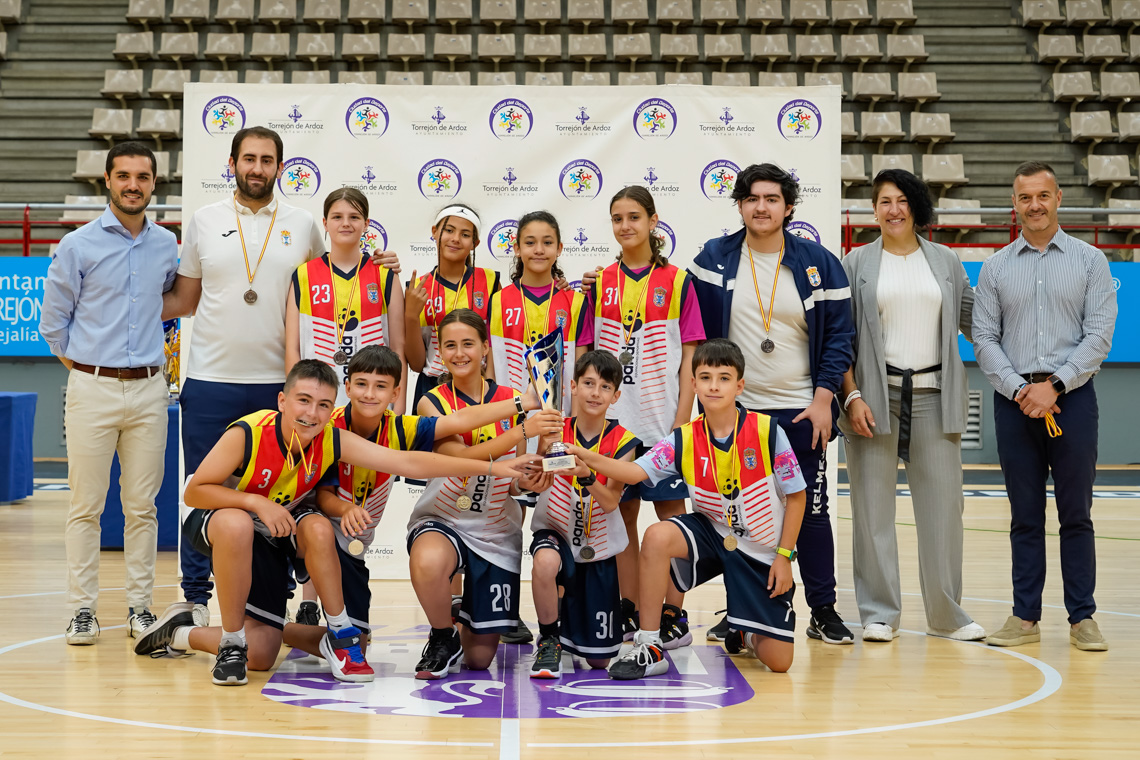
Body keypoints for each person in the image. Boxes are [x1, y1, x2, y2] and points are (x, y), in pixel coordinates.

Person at [132, 360, 538, 686]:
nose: (312, 413)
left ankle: (185, 632)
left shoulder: (334, 437)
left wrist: (496, 466)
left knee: (266, 652)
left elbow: (410, 461)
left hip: (281, 531)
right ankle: (233, 640)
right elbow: (195, 491)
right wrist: (255, 501)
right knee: (247, 524)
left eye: (322, 405)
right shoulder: (250, 431)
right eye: (303, 401)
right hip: (224, 520)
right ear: (283, 401)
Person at [160, 126, 324, 625]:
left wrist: (380, 268)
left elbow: (331, 289)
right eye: (248, 158)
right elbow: (183, 302)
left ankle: (301, 598)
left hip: (281, 384)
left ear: (280, 166)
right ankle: (194, 595)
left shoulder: (304, 225)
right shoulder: (204, 221)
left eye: (267, 159)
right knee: (202, 484)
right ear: (232, 163)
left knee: (295, 491)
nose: (257, 168)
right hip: (210, 379)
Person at [567, 340, 806, 678]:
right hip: (712, 534)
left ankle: (744, 629)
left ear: (739, 385)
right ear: (693, 384)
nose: (713, 385)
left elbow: (797, 497)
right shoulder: (683, 438)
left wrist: (784, 556)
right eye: (705, 377)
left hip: (759, 552)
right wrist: (585, 456)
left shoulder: (768, 432)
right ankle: (650, 645)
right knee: (657, 535)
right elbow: (636, 473)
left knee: (779, 661)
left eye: (724, 378)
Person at [689, 163, 856, 646]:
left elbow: (840, 339)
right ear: (739, 204)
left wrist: (826, 398)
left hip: (802, 409)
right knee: (737, 515)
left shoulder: (818, 262)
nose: (761, 207)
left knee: (814, 511)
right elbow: (683, 316)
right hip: (737, 414)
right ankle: (741, 610)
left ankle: (823, 609)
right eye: (752, 198)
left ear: (788, 207)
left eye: (772, 199)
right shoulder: (714, 259)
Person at [305, 344, 553, 635]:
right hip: (308, 530)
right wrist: (345, 508)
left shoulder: (399, 428)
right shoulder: (329, 427)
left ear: (396, 394)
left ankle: (287, 632)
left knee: (354, 642)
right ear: (347, 386)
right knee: (317, 533)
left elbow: (457, 421)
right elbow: (323, 495)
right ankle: (301, 608)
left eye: (380, 386)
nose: (369, 394)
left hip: (352, 545)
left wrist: (524, 402)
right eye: (361, 384)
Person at [39, 142, 179, 645]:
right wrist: (85, 369)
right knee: (86, 506)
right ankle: (82, 610)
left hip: (149, 391)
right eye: (124, 175)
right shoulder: (78, 245)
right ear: (107, 180)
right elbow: (53, 324)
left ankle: (141, 608)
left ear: (154, 184)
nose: (133, 185)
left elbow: (171, 300)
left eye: (143, 176)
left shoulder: (167, 246)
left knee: (142, 507)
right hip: (91, 388)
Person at [973, 161, 1116, 652]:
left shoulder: (1091, 261)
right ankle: (1024, 617)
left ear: (1058, 199)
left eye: (1042, 195)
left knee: (1076, 514)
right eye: (1024, 198)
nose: (1033, 205)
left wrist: (1054, 385)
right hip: (1014, 406)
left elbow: (1098, 336)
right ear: (1014, 205)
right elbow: (985, 339)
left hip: (1071, 401)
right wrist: (1019, 390)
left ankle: (1083, 619)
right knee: (1025, 516)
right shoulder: (995, 267)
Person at [838, 169, 985, 642]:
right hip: (873, 400)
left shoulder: (945, 260)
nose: (893, 209)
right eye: (884, 201)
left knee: (944, 511)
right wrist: (852, 395)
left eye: (902, 200)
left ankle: (947, 616)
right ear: (874, 209)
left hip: (934, 397)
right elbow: (840, 341)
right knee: (872, 511)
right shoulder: (856, 262)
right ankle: (879, 613)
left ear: (916, 206)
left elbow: (976, 320)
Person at [407, 309, 562, 679]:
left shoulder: (511, 396)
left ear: (486, 349)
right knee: (428, 562)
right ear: (439, 353)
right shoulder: (432, 402)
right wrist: (521, 431)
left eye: (468, 344)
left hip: (495, 528)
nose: (459, 353)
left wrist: (532, 476)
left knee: (479, 659)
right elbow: (458, 461)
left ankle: (464, 617)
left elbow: (512, 476)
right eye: (449, 346)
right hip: (443, 518)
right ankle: (443, 634)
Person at [582, 185, 705, 645]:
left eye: (634, 216)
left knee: (673, 521)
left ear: (654, 222)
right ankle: (631, 609)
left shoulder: (678, 280)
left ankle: (674, 612)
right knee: (623, 520)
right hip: (617, 426)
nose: (625, 226)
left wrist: (682, 417)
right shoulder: (600, 282)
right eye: (617, 218)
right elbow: (588, 354)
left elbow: (690, 354)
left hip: (661, 423)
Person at [526, 351, 641, 678]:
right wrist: (532, 479)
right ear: (573, 386)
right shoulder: (553, 429)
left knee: (599, 662)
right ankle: (549, 639)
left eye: (605, 387)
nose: (595, 392)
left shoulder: (624, 442)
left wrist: (585, 474)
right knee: (546, 562)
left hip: (598, 543)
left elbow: (609, 503)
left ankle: (568, 615)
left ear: (616, 396)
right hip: (555, 529)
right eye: (588, 383)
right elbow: (535, 481)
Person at [286, 188, 405, 409]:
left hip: (373, 401)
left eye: (354, 217)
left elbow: (398, 347)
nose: (346, 223)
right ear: (325, 222)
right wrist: (297, 400)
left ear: (366, 223)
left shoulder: (385, 274)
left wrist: (398, 410)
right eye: (337, 217)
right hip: (318, 401)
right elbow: (292, 349)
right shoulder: (304, 274)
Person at [488, 210, 591, 413]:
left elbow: (581, 375)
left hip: (558, 423)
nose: (539, 250)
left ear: (559, 248)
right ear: (517, 248)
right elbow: (491, 371)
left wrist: (574, 426)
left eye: (547, 242)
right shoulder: (498, 301)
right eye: (530, 243)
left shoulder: (575, 303)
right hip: (509, 422)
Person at [403, 203, 501, 411]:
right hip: (431, 387)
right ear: (435, 232)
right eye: (449, 230)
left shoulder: (490, 281)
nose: (455, 238)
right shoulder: (418, 287)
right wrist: (411, 316)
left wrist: (491, 387)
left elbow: (495, 344)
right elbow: (417, 364)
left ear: (475, 243)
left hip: (478, 386)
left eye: (465, 234)